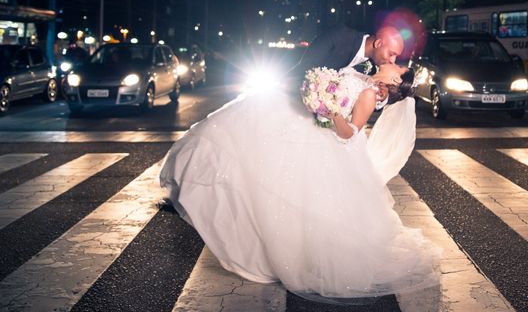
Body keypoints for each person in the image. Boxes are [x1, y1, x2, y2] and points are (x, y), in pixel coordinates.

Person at [159, 62, 440, 302]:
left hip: (332, 143)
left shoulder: (368, 94)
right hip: (316, 132)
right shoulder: (364, 77)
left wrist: (331, 113)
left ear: (394, 79)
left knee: (304, 199)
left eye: (399, 66)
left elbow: (350, 134)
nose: (395, 62)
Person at [290, 24, 405, 102]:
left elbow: (364, 104)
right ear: (378, 43)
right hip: (296, 100)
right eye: (391, 54)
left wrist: (382, 97)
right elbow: (305, 67)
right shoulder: (340, 36)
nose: (393, 60)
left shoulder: (374, 70)